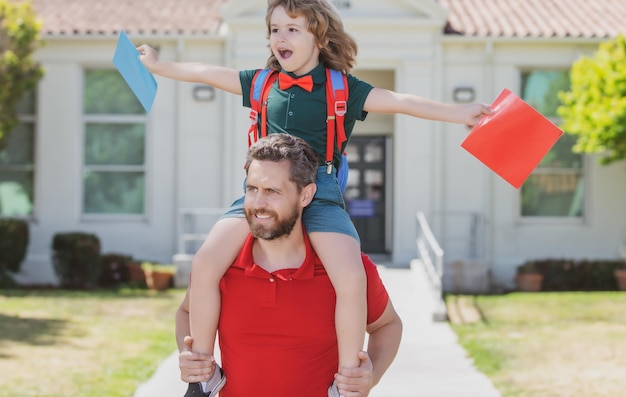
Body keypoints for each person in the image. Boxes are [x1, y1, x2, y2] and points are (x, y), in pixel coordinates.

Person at [138, 1, 491, 395]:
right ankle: (203, 376)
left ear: (318, 37)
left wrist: (461, 113)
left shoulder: (343, 89)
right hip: (262, 191)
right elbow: (204, 72)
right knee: (205, 262)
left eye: (292, 29)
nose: (280, 38)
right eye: (274, 30)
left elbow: (401, 101)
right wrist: (158, 65)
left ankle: (345, 381)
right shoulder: (259, 82)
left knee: (350, 274)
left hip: (319, 190)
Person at [175, 133, 403, 396]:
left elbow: (387, 325)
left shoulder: (345, 268)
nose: (258, 204)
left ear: (306, 195)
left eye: (272, 191)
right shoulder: (221, 266)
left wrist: (369, 376)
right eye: (252, 190)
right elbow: (186, 313)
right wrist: (188, 355)